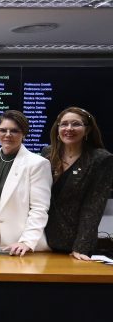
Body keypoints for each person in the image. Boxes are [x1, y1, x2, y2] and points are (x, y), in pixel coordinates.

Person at [42, 107, 113, 260]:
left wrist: (81, 246)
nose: (69, 129)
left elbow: (94, 206)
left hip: (73, 244)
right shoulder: (48, 153)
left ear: (87, 130)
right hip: (40, 239)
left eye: (76, 124)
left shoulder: (100, 159)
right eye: (64, 124)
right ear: (57, 128)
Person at [0, 110, 52, 256]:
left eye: (14, 131)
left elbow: (39, 209)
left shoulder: (38, 164)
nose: (8, 135)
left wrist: (27, 241)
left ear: (24, 134)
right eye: (3, 130)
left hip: (17, 241)